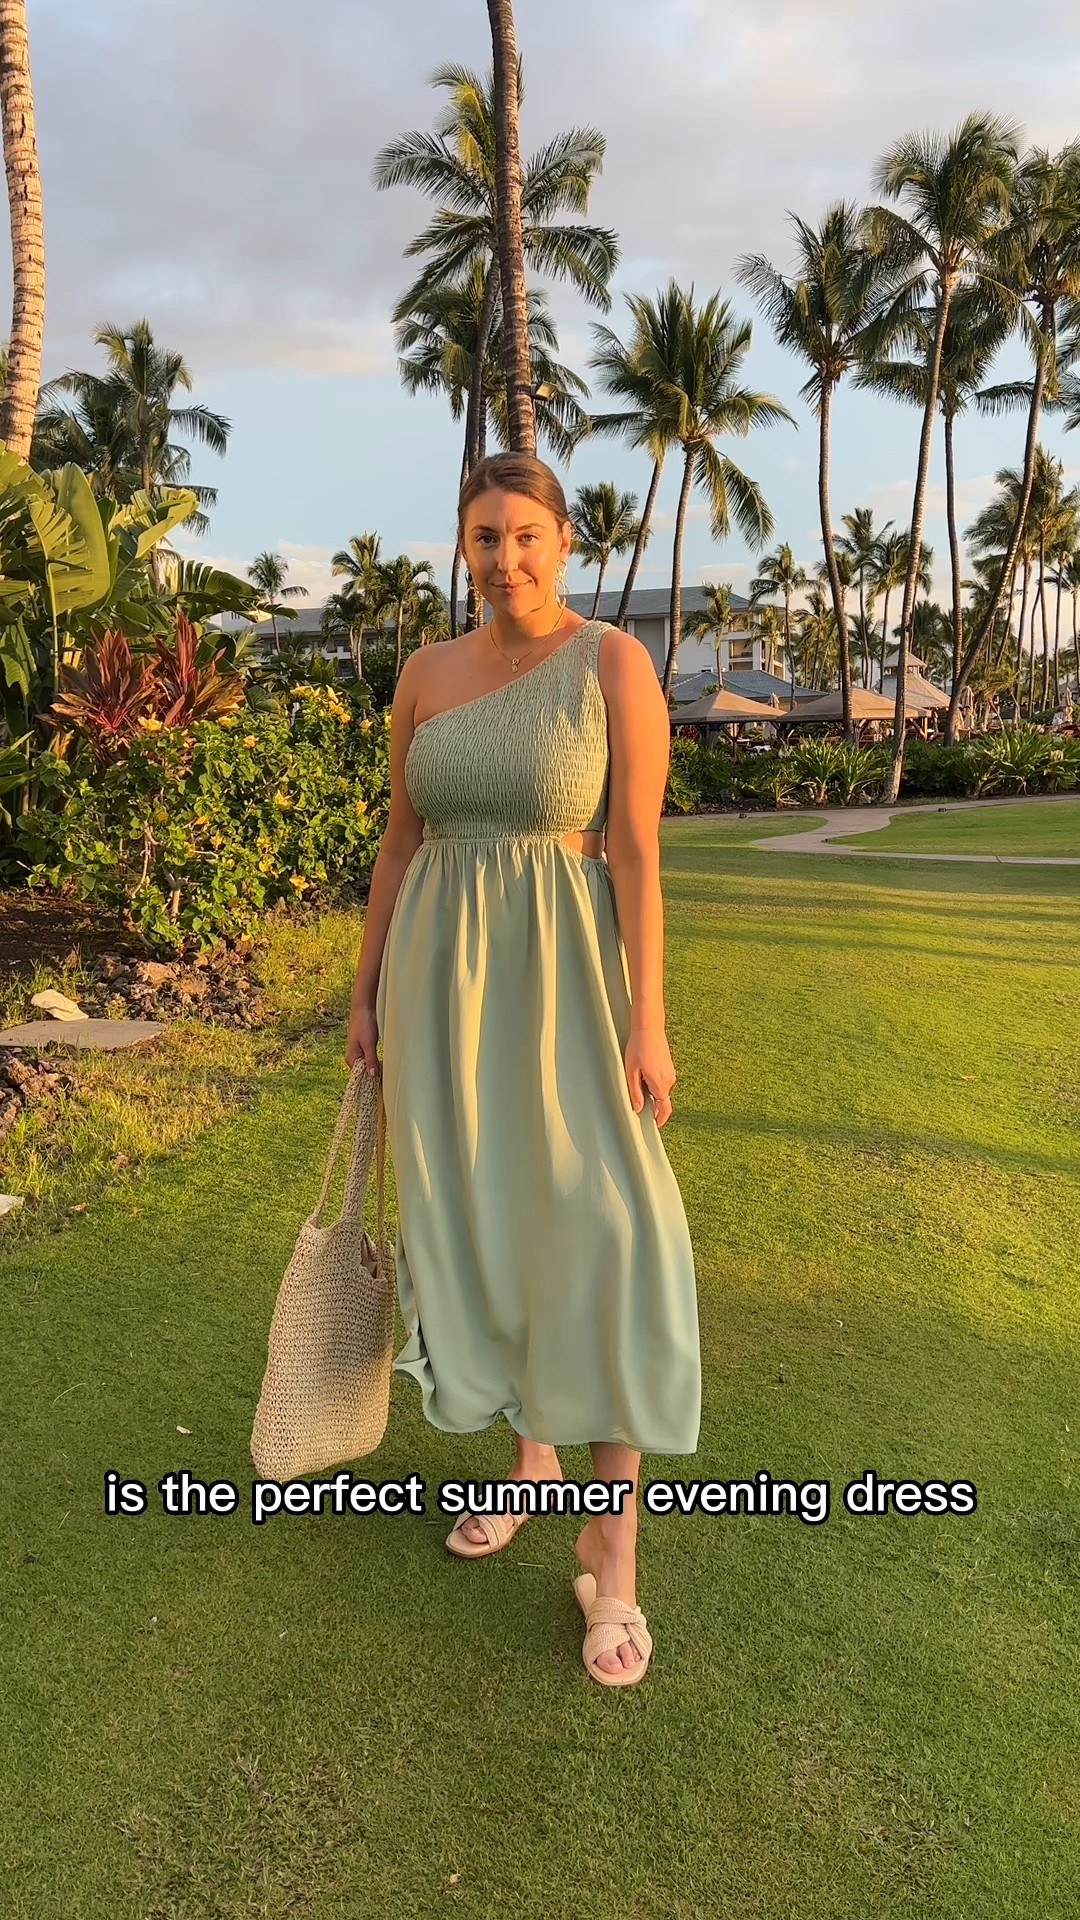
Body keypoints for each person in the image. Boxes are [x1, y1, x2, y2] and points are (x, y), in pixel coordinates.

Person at [346, 451, 701, 1688]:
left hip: (565, 977)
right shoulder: (424, 673)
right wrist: (363, 989)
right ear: (464, 548)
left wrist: (647, 1019)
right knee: (486, 1227)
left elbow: (638, 855)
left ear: (565, 540)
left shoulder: (613, 662)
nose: (507, 558)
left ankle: (613, 1555)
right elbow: (399, 845)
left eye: (527, 534)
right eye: (484, 537)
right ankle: (532, 1455)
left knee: (607, 1228)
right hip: (438, 986)